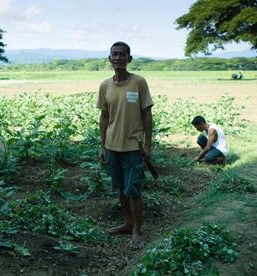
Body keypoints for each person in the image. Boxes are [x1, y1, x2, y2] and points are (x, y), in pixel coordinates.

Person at [97, 41, 154, 249]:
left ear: (129, 59)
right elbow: (104, 117)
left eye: (122, 54)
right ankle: (128, 223)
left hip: (133, 147)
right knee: (120, 188)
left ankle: (137, 230)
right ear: (109, 59)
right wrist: (102, 146)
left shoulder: (138, 82)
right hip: (113, 147)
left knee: (134, 190)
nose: (118, 57)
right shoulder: (105, 86)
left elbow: (147, 115)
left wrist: (148, 144)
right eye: (115, 54)